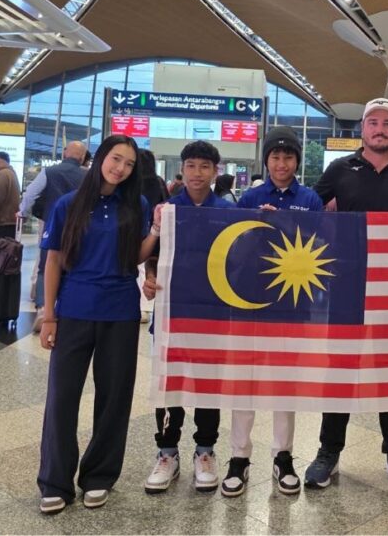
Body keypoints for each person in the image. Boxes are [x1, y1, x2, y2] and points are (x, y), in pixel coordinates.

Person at [306, 97, 388, 493]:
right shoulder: (339, 169)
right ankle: (329, 450)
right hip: (346, 283)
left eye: (387, 123)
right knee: (340, 367)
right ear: (363, 129)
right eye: (373, 123)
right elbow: (305, 210)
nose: (379, 130)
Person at [36, 135, 160, 515]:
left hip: (120, 311)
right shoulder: (68, 204)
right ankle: (55, 481)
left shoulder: (135, 204)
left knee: (114, 399)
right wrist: (49, 315)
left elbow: (134, 256)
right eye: (115, 158)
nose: (120, 168)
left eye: (128, 164)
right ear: (101, 157)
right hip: (74, 309)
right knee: (62, 397)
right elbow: (53, 261)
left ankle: (99, 476)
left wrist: (155, 232)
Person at [219, 127, 323, 499]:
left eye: (288, 157)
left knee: (284, 382)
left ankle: (283, 456)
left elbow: (320, 246)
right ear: (266, 161)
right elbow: (234, 247)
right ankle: (239, 457)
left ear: (297, 161)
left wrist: (286, 224)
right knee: (244, 380)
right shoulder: (250, 197)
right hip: (250, 301)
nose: (282, 164)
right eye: (275, 157)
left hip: (292, 303)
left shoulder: (309, 198)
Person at [141, 140, 234, 496]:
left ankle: (205, 450)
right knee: (170, 384)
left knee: (208, 383)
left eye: (204, 166)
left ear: (215, 171)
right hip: (172, 313)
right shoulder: (166, 210)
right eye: (191, 166)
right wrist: (150, 278)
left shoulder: (227, 211)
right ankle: (167, 452)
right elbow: (151, 255)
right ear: (182, 169)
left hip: (212, 315)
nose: (197, 173)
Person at [19, 142, 88, 333]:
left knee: (45, 267)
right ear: (82, 157)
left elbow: (31, 194)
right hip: (80, 227)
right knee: (73, 266)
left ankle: (43, 308)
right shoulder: (87, 175)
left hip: (52, 225)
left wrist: (23, 212)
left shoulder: (49, 172)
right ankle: (70, 310)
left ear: (64, 153)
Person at [136, 149, 168, 324]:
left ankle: (140, 307)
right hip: (155, 229)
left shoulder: (133, 183)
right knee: (146, 268)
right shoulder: (158, 181)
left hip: (138, 228)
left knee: (139, 266)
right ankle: (145, 308)